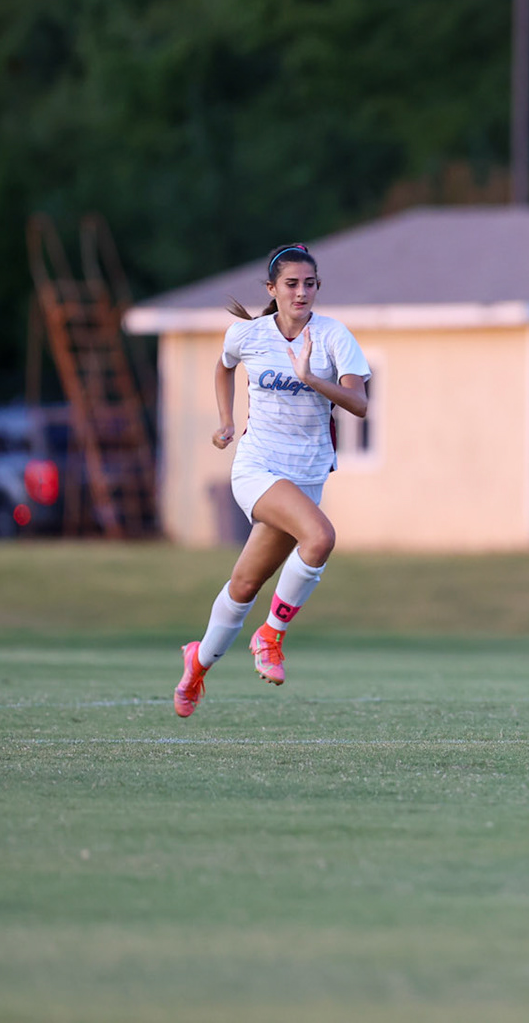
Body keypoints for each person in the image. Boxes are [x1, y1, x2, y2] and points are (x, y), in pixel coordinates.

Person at [173, 243, 370, 717]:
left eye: (309, 283)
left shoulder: (332, 337)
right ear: (272, 289)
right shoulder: (248, 335)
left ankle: (196, 665)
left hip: (306, 477)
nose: (301, 292)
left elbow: (359, 403)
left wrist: (311, 378)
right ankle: (271, 636)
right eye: (291, 284)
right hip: (257, 467)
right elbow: (223, 367)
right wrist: (226, 420)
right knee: (320, 537)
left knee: (244, 585)